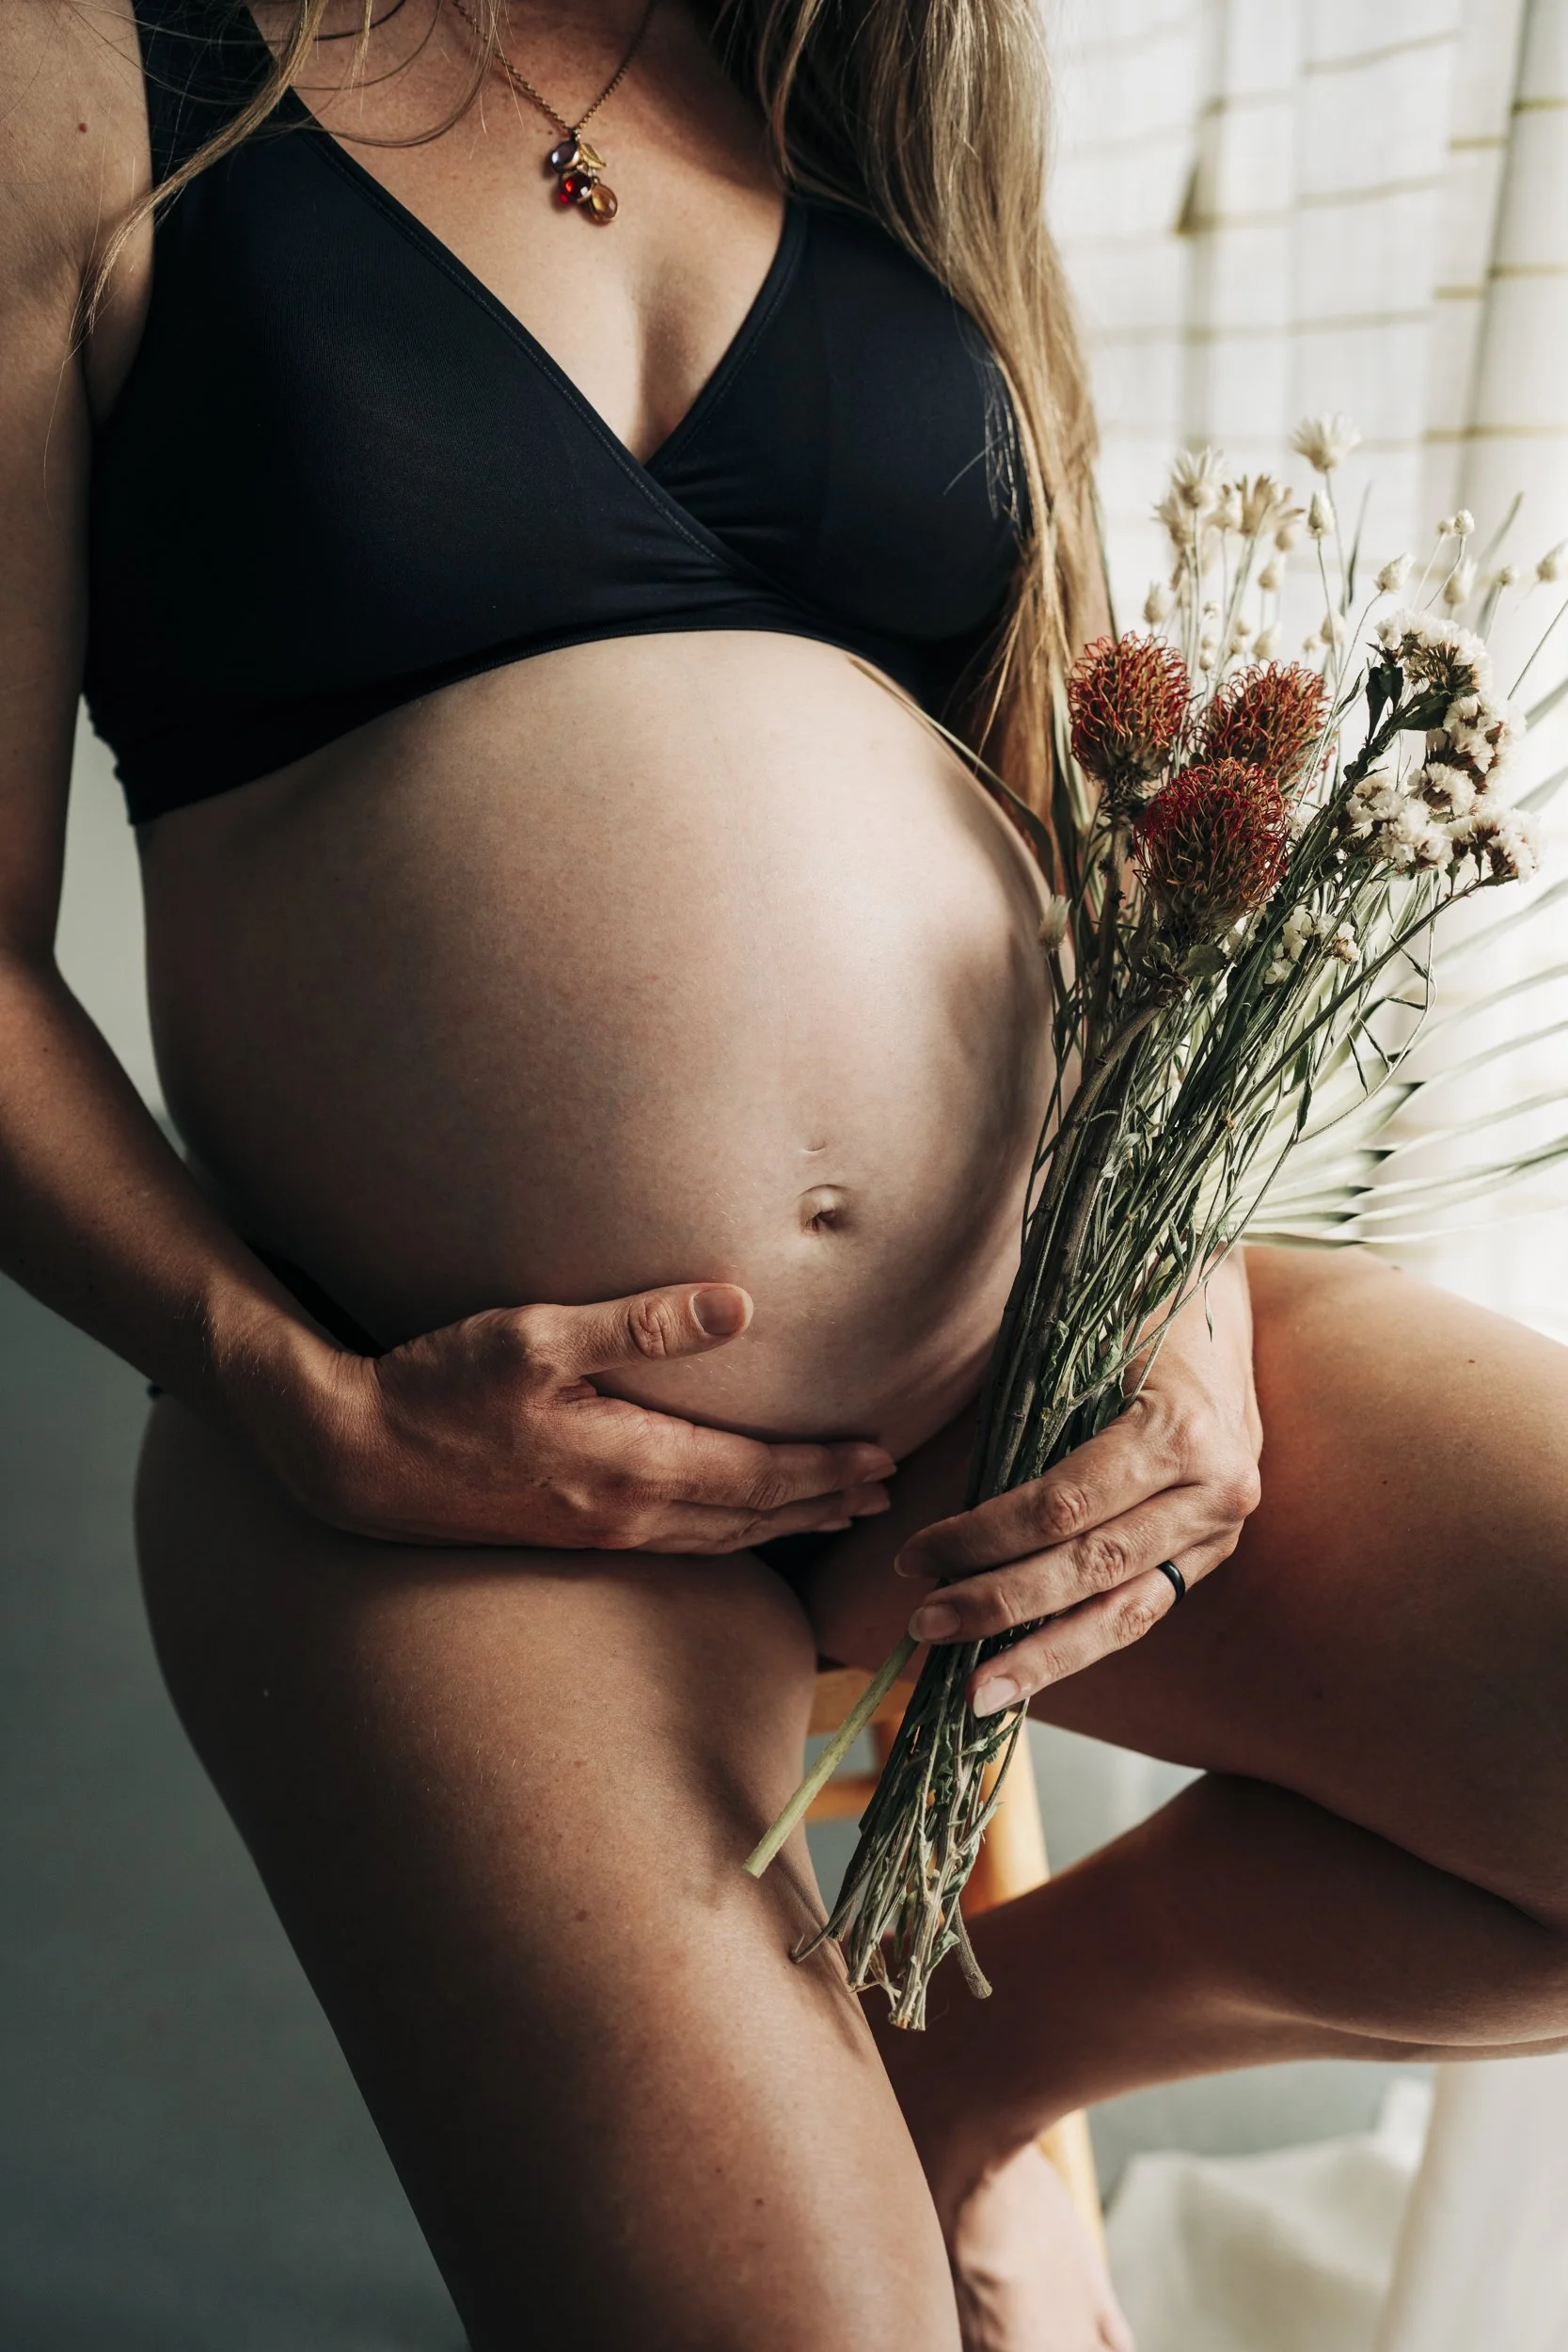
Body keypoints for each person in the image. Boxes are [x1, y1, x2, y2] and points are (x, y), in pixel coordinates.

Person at [3, 0, 1565, 2344]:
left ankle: (965, 2049)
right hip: (445, 1469)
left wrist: (1173, 1286)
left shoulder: (875, 92)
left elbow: (1092, 812)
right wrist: (291, 1390)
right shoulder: (94, 65)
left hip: (1009, 1353)